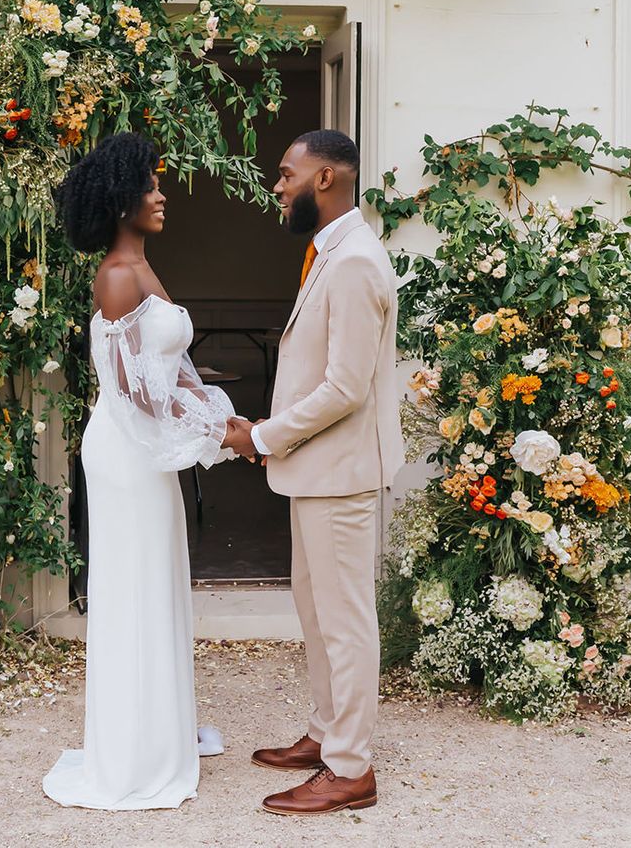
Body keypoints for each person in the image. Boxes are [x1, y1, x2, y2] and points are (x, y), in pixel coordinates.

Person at [42, 132, 247, 811]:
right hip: (125, 451)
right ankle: (131, 754)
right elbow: (139, 396)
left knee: (154, 581)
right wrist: (223, 431)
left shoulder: (140, 266)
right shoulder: (119, 276)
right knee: (134, 587)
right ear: (120, 198)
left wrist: (222, 420)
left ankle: (158, 731)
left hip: (138, 445)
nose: (162, 196)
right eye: (150, 186)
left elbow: (171, 376)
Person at [225, 129, 405, 816]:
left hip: (340, 473)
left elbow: (345, 389)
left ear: (325, 178)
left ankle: (351, 769)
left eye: (286, 173)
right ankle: (329, 733)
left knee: (345, 620)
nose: (278, 185)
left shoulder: (356, 260)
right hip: (315, 471)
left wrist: (263, 436)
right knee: (316, 610)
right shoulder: (329, 252)